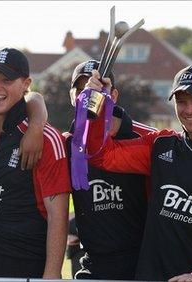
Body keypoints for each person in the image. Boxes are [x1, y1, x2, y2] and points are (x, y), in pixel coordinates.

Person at [82, 64, 192, 281]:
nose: (188, 109)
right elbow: (100, 155)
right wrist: (98, 101)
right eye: (181, 101)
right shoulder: (161, 144)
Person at [0, 47, 71, 278]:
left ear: (26, 83)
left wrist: (51, 275)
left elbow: (57, 217)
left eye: (7, 80)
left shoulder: (48, 140)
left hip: (21, 268)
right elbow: (35, 98)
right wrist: (37, 116)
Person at [65, 60, 155, 280]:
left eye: (98, 90)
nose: (90, 95)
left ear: (113, 96)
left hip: (140, 269)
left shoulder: (146, 139)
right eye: (83, 90)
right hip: (92, 267)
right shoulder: (66, 144)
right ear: (73, 97)